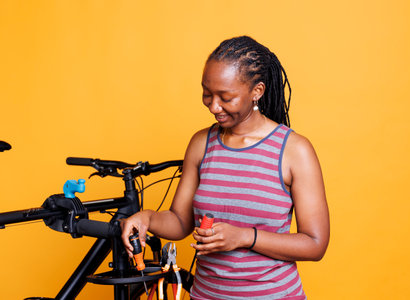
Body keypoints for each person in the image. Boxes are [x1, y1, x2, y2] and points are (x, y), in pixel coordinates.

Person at [121, 36, 329, 299]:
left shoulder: (294, 150)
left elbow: (315, 244)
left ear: (257, 91)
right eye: (207, 94)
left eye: (226, 97)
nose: (214, 106)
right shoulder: (201, 143)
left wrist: (244, 237)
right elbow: (180, 221)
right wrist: (147, 218)